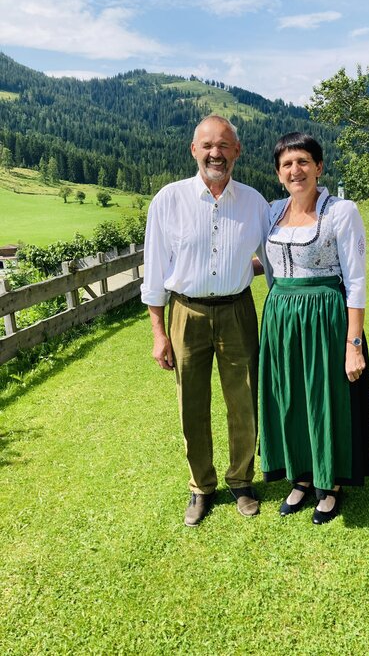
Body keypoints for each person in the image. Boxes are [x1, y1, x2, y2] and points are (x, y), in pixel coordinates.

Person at [141, 115, 271, 527]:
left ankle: (241, 480)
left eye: (224, 145)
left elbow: (273, 260)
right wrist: (159, 333)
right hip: (185, 313)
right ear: (194, 150)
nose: (216, 153)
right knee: (191, 404)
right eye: (208, 145)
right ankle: (201, 486)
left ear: (237, 151)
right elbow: (155, 270)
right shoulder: (169, 199)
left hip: (238, 310)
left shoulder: (255, 203)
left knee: (244, 399)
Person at [259, 132, 369, 524]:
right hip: (280, 316)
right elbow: (268, 261)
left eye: (303, 162)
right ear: (278, 173)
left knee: (325, 397)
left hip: (325, 316)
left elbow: (356, 281)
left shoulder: (341, 212)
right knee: (289, 396)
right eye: (287, 164)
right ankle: (301, 475)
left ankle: (330, 482)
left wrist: (353, 343)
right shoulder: (272, 211)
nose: (296, 170)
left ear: (318, 167)